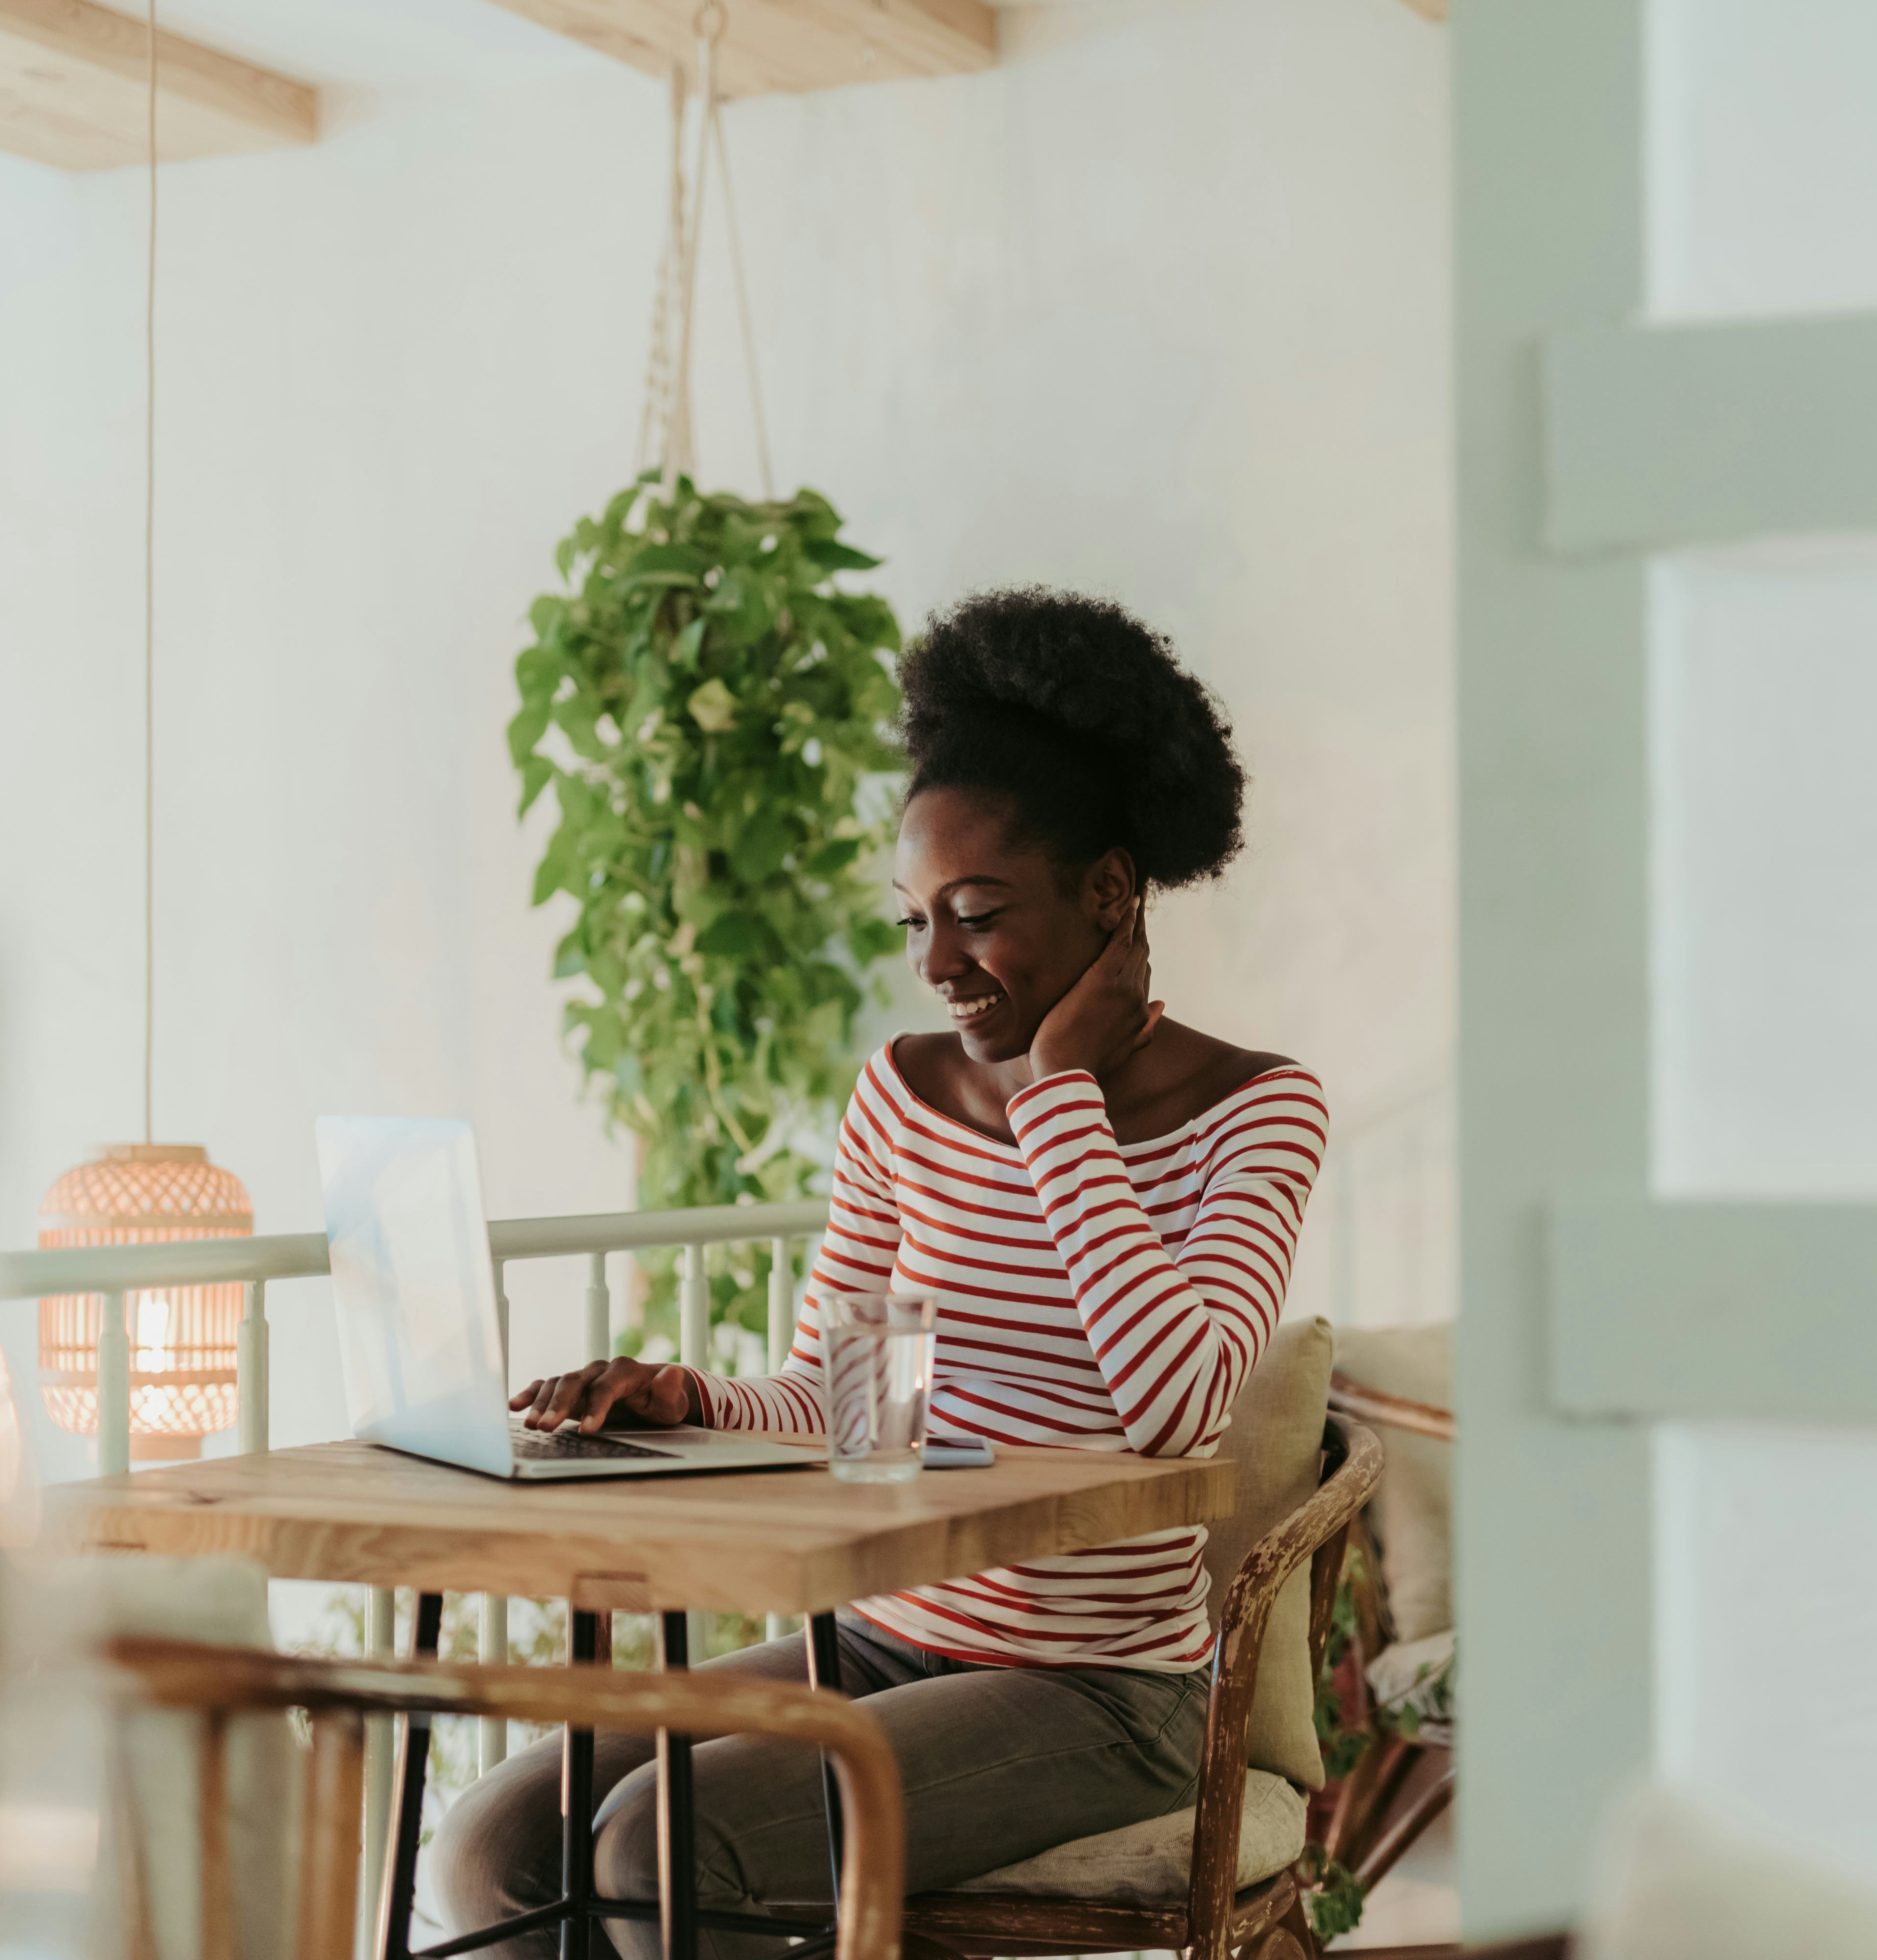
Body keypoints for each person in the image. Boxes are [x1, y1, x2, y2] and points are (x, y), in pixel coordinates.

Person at [434, 587, 1330, 1960]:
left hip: (1098, 1690)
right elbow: (847, 1405)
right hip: (880, 1642)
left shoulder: (1257, 1107)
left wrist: (1058, 1093)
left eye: (975, 914)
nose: (937, 968)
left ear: (1107, 894)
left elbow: (1177, 1409)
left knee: (661, 1846)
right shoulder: (902, 1095)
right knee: (499, 1840)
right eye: (914, 920)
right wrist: (695, 1397)